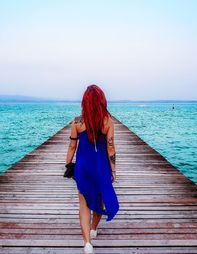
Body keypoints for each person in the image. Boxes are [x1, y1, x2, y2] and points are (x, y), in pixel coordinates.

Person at [65, 84, 119, 254]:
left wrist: (68, 166)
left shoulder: (77, 121)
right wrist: (113, 170)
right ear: (102, 101)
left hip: (83, 167)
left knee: (84, 205)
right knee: (100, 199)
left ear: (85, 102)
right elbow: (111, 148)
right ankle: (94, 228)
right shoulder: (107, 121)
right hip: (101, 167)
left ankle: (87, 243)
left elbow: (72, 146)